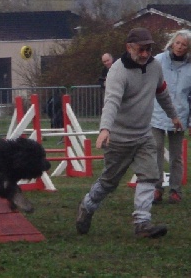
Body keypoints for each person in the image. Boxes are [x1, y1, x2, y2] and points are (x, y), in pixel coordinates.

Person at [76, 28, 183, 238]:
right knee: (109, 182)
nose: (145, 54)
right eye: (141, 50)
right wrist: (105, 129)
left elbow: (162, 92)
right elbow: (112, 102)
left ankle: (142, 223)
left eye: (149, 49)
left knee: (150, 175)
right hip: (119, 138)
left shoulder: (155, 66)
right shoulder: (117, 71)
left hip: (144, 135)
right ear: (129, 48)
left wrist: (174, 116)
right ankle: (87, 206)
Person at [151, 29, 191, 204]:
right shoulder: (158, 61)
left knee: (176, 156)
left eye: (184, 45)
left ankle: (175, 190)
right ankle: (156, 188)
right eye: (178, 43)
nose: (180, 47)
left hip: (180, 115)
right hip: (157, 113)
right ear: (172, 43)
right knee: (156, 150)